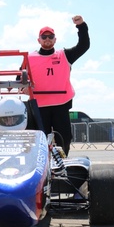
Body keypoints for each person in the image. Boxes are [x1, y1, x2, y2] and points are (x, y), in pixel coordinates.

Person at [26, 15, 90, 156]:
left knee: (64, 138)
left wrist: (81, 26)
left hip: (61, 104)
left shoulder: (64, 55)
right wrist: (23, 87)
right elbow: (21, 78)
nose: (47, 39)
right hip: (39, 106)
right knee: (40, 140)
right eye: (44, 37)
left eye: (50, 36)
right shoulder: (29, 58)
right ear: (39, 40)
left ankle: (62, 166)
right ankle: (43, 168)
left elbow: (84, 45)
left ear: (55, 39)